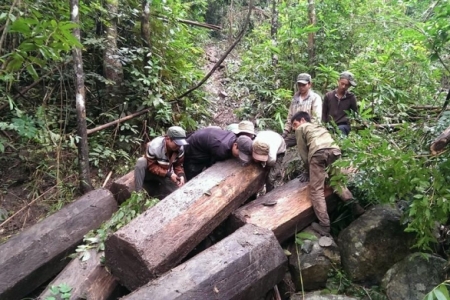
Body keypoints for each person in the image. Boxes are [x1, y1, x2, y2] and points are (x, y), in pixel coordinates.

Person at [291, 111, 364, 236]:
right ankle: (357, 208)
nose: (294, 128)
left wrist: (308, 171)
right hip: (334, 150)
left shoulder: (301, 128)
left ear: (302, 120)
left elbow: (303, 154)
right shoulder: (319, 126)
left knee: (316, 190)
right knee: (338, 183)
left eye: (295, 124)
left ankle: (324, 225)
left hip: (318, 152)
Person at [134, 126, 188, 198]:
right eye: (177, 143)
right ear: (168, 139)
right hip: (151, 171)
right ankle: (138, 194)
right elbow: (151, 166)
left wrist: (181, 175)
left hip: (165, 173)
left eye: (180, 144)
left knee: (178, 192)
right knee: (141, 161)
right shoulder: (155, 146)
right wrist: (169, 174)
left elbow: (178, 165)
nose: (179, 146)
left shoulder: (180, 148)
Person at [283, 73, 322, 147]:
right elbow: (290, 117)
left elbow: (316, 119)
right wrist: (285, 132)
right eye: (299, 85)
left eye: (303, 85)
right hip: (295, 132)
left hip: (309, 132)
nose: (301, 87)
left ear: (309, 84)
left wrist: (308, 131)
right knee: (282, 144)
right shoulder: (295, 98)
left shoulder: (315, 98)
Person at [322, 71, 358, 136]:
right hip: (329, 126)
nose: (344, 86)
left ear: (349, 86)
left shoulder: (351, 97)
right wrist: (323, 126)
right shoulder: (328, 96)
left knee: (340, 130)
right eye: (342, 83)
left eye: (346, 85)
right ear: (338, 81)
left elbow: (355, 114)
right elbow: (324, 113)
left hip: (343, 126)